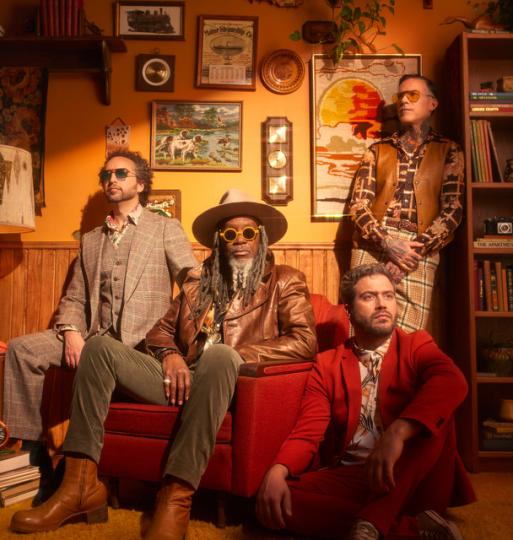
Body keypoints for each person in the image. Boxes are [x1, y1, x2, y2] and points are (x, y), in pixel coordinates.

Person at [10, 189, 318, 538]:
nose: (239, 240)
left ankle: (175, 497)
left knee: (219, 355)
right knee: (98, 347)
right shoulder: (198, 282)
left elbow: (304, 341)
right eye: (229, 233)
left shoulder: (285, 281)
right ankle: (79, 485)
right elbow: (160, 331)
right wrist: (171, 355)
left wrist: (236, 356)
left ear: (260, 237)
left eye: (248, 232)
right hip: (181, 380)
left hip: (231, 383)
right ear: (219, 241)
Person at [2, 150, 196, 481]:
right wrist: (71, 332)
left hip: (140, 348)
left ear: (141, 183)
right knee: (21, 350)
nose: (111, 179)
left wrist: (177, 344)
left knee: (101, 352)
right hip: (92, 336)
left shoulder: (164, 228)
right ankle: (32, 457)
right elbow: (75, 296)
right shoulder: (91, 240)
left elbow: (192, 284)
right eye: (106, 175)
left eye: (121, 173)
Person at [256, 263, 475, 540]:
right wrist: (278, 470)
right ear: (348, 310)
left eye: (388, 295)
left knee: (436, 412)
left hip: (410, 474)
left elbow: (452, 380)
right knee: (276, 499)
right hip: (357, 475)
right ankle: (411, 529)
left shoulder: (417, 345)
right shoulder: (327, 364)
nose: (382, 304)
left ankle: (372, 521)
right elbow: (308, 431)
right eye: (369, 297)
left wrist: (397, 433)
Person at [349, 74, 464, 332]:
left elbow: (453, 210)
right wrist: (387, 243)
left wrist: (413, 252)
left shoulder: (449, 151)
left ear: (432, 103)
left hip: (419, 250)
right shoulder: (377, 150)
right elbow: (358, 207)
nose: (403, 101)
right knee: (361, 331)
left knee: (409, 337)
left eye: (412, 95)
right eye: (400, 96)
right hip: (372, 246)